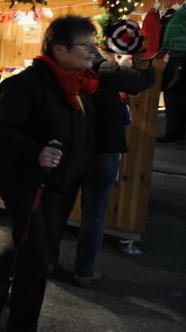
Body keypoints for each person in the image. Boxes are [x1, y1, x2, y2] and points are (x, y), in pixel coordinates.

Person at [0, 15, 98, 331]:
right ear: (60, 50)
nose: (93, 52)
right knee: (37, 259)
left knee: (40, 249)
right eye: (85, 45)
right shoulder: (23, 85)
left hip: (59, 182)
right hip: (23, 179)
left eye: (94, 44)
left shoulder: (80, 84)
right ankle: (22, 325)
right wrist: (36, 152)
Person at [74, 49, 154, 287]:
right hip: (103, 148)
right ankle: (84, 272)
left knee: (58, 207)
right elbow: (141, 83)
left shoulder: (64, 70)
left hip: (73, 148)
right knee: (94, 212)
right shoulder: (108, 70)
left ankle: (47, 263)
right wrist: (147, 58)